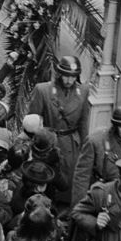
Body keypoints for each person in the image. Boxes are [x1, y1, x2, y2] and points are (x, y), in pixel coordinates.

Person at [27, 56, 89, 206]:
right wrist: (34, 148)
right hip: (49, 143)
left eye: (73, 77)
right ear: (59, 74)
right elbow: (32, 122)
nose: (69, 80)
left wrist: (84, 147)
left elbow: (83, 123)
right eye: (66, 76)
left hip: (71, 144)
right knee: (47, 178)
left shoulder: (83, 92)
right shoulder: (43, 90)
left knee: (69, 180)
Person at [72, 105, 121, 204]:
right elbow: (81, 177)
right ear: (116, 126)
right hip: (102, 193)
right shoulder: (96, 141)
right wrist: (78, 208)